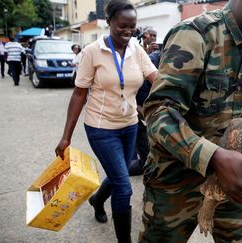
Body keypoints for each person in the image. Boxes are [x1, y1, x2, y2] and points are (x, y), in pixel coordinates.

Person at [138, 0, 242, 242]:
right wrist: (214, 157)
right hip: (176, 184)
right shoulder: (195, 34)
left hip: (232, 181)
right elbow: (157, 113)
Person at [54, 0, 157, 241]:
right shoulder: (92, 51)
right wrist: (66, 136)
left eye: (133, 27)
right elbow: (79, 94)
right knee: (124, 186)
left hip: (130, 125)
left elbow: (155, 77)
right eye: (123, 26)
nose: (128, 32)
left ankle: (97, 200)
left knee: (116, 172)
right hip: (101, 129)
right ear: (109, 22)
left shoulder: (136, 49)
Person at [128, 28, 161, 176]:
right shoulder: (146, 60)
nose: (153, 38)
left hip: (142, 112)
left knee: (147, 162)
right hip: (131, 112)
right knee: (124, 169)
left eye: (155, 35)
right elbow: (131, 100)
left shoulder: (159, 64)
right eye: (150, 35)